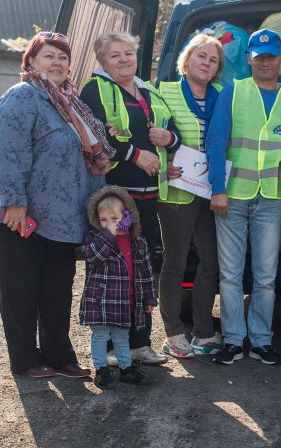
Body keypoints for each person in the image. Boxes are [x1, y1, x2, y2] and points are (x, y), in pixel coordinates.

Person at [0, 31, 113, 378]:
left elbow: (88, 157)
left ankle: (59, 356)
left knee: (57, 290)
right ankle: (25, 359)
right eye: (48, 56)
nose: (57, 63)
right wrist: (14, 203)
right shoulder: (24, 96)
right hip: (27, 214)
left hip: (66, 217)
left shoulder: (72, 103)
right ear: (31, 62)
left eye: (62, 57)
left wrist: (98, 209)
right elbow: (9, 151)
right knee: (21, 289)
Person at [80, 31, 181, 366]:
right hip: (117, 201)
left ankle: (140, 344)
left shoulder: (148, 88)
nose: (123, 59)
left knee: (142, 267)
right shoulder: (95, 90)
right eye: (114, 55)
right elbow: (91, 134)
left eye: (128, 53)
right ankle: (111, 348)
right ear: (102, 61)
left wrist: (170, 139)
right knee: (114, 270)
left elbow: (172, 131)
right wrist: (136, 154)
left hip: (150, 199)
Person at [206, 29, 281, 365]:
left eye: (271, 56)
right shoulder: (232, 91)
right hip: (232, 196)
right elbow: (216, 142)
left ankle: (261, 340)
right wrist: (217, 188)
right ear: (249, 58)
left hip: (272, 196)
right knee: (230, 274)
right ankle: (233, 340)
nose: (265, 61)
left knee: (266, 276)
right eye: (259, 56)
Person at [157, 34, 224, 358]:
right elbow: (150, 131)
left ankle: (203, 332)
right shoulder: (164, 91)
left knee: (211, 262)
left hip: (212, 190)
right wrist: (163, 163)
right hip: (178, 189)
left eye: (213, 60)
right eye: (201, 56)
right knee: (175, 262)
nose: (206, 63)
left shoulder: (223, 95)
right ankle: (173, 333)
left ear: (217, 69)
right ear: (187, 59)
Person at [81, 187, 157, 388]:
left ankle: (126, 368)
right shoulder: (96, 239)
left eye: (114, 219)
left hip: (124, 301)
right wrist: (109, 234)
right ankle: (102, 370)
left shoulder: (137, 242)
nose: (109, 224)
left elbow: (146, 272)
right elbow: (93, 257)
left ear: (127, 216)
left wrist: (149, 298)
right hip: (101, 300)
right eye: (103, 219)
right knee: (100, 336)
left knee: (122, 336)